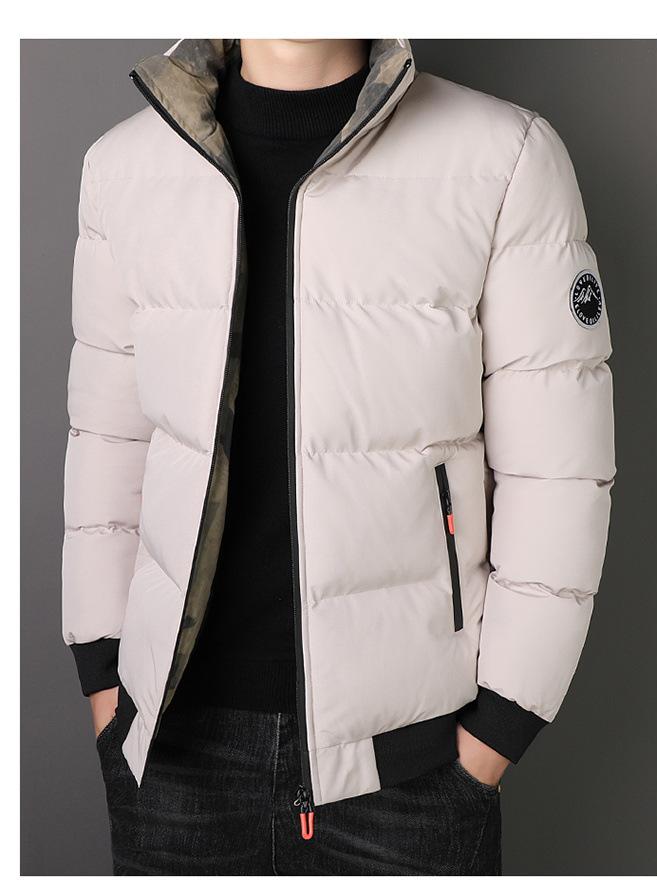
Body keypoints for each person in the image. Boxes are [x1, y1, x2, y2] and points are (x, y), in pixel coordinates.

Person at [62, 38, 615, 875]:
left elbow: (560, 471)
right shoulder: (124, 169)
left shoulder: (504, 158)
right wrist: (106, 679)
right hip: (170, 753)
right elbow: (108, 445)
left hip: (413, 765)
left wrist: (496, 731)